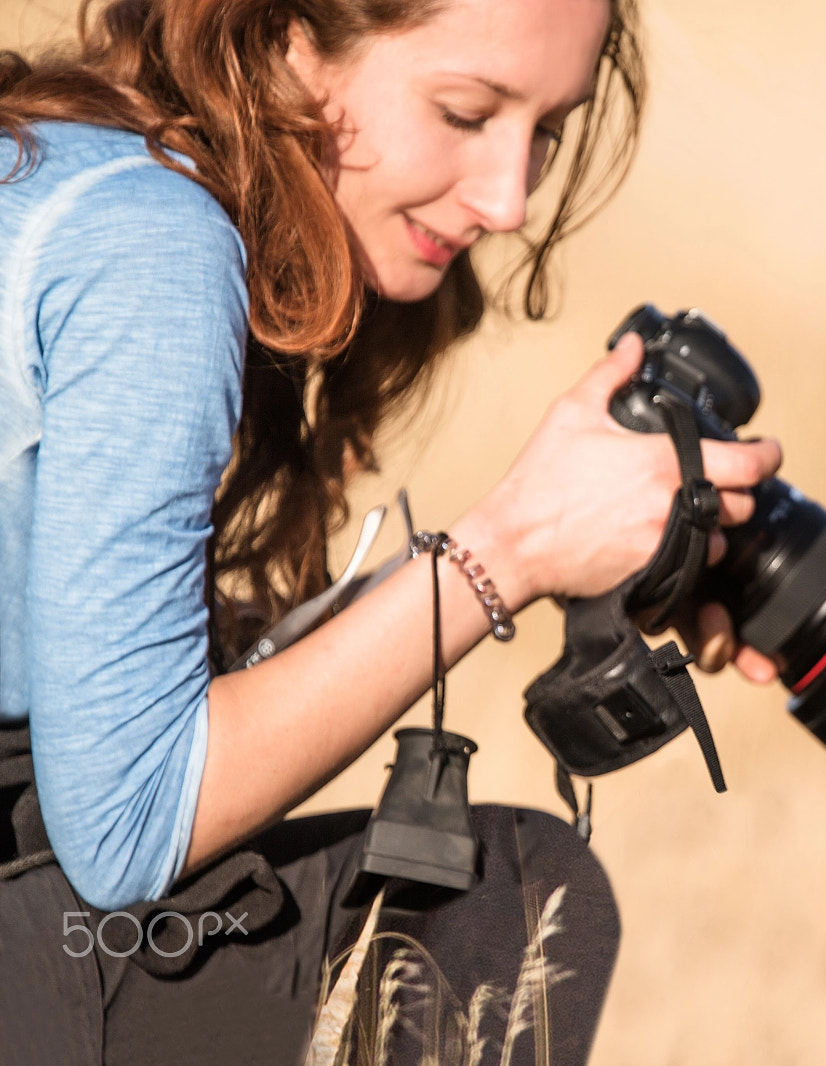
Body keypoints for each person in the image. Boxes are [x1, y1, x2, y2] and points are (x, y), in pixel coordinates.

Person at [0, 0, 783, 1062]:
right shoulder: (155, 244)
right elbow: (129, 824)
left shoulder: (56, 174)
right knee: (503, 896)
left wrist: (587, 550)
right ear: (286, 45)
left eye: (547, 129)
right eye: (465, 111)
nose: (509, 199)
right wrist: (506, 552)